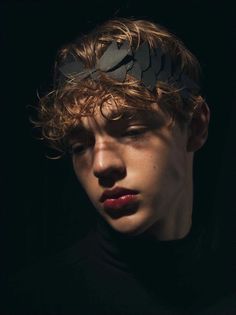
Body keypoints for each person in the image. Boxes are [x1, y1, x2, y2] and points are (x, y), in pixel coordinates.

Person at [5, 18, 236, 315]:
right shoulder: (29, 300)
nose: (101, 164)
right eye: (80, 146)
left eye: (132, 131)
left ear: (195, 126)